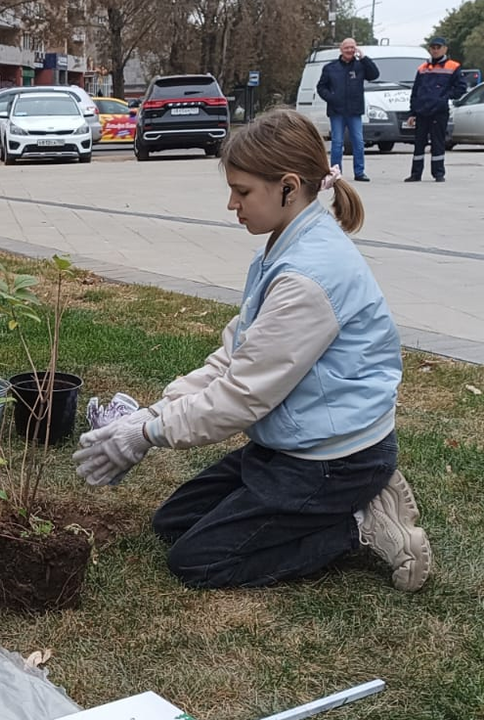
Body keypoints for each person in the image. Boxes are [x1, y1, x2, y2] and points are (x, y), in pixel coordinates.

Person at [73, 109, 432, 593]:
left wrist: (148, 435)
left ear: (288, 186)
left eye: (242, 192)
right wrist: (153, 413)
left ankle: (359, 523)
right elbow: (235, 357)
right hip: (289, 443)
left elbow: (241, 397)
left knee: (197, 561)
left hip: (334, 458)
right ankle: (337, 505)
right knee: (172, 522)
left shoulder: (308, 277)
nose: (231, 204)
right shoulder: (286, 247)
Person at [316, 37, 379, 182]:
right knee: (337, 142)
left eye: (352, 47)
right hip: (336, 111)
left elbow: (374, 75)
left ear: (356, 49)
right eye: (347, 48)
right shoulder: (330, 68)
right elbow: (321, 87)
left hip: (354, 111)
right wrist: (331, 98)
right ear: (341, 49)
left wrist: (364, 58)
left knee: (358, 141)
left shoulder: (360, 66)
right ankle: (335, 173)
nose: (350, 50)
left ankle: (359, 172)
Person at [405, 37, 466, 183]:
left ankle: (438, 173)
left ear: (445, 49)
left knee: (438, 142)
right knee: (419, 143)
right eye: (433, 47)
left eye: (438, 47)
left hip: (439, 111)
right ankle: (416, 174)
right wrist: (412, 113)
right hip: (422, 111)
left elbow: (461, 88)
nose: (435, 50)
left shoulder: (453, 67)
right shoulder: (422, 68)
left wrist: (444, 97)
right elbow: (415, 92)